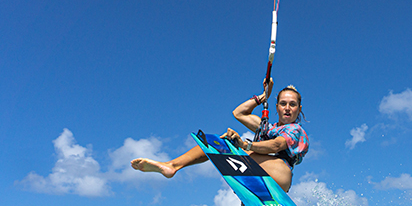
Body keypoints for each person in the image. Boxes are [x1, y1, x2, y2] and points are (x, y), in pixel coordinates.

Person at [130, 79, 309, 193]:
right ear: (276, 106)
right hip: (266, 174)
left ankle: (172, 166)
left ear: (299, 109)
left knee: (219, 145)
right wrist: (263, 96)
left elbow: (276, 146)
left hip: (280, 171)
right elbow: (239, 113)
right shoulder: (267, 128)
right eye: (283, 104)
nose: (287, 108)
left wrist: (245, 145)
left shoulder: (295, 130)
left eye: (292, 105)